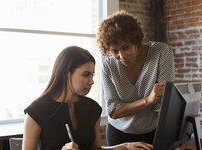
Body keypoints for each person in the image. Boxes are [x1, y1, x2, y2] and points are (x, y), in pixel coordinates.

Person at [22, 46, 153, 150]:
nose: (91, 81)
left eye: (92, 75)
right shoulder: (36, 111)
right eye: (86, 75)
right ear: (66, 74)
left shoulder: (92, 108)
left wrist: (125, 146)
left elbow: (96, 149)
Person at [96, 10, 175, 146]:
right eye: (114, 51)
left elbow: (163, 105)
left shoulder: (161, 52)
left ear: (136, 40)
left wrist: (167, 141)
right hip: (118, 134)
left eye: (126, 47)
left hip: (153, 132)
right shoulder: (108, 66)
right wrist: (148, 100)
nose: (122, 56)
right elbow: (113, 111)